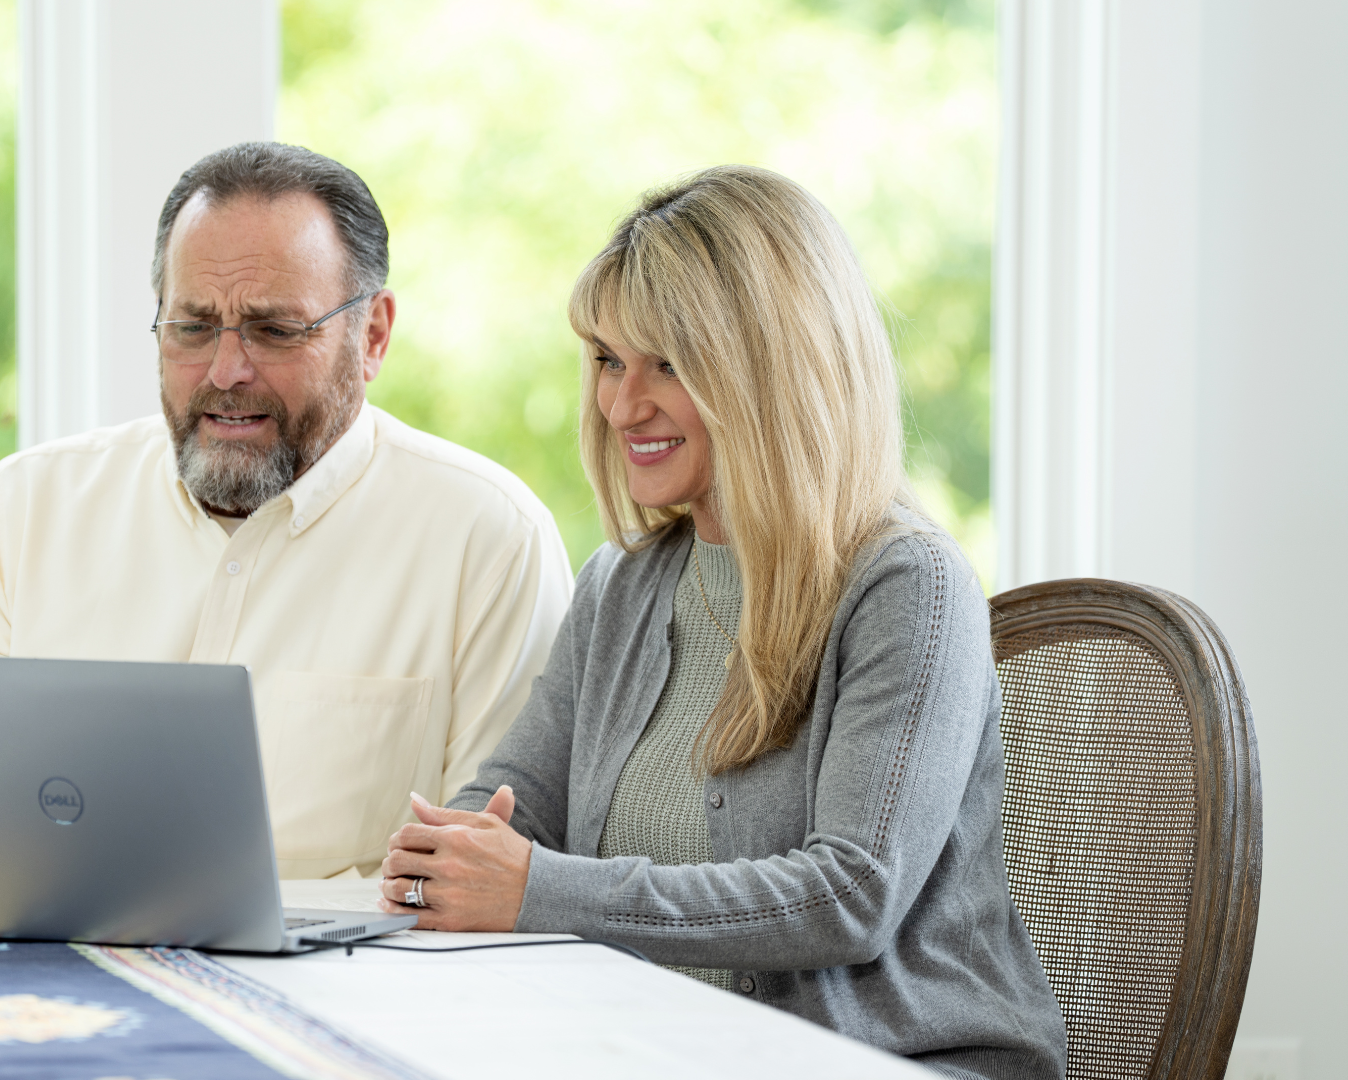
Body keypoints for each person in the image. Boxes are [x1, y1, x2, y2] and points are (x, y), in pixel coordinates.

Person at [375, 166, 1065, 1078]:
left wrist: (535, 889)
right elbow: (518, 799)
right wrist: (451, 852)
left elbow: (850, 895)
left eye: (670, 362)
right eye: (610, 360)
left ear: (772, 368)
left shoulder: (908, 585)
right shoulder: (621, 582)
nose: (624, 405)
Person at [0, 142, 573, 879]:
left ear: (373, 335)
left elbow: (485, 893)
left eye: (274, 330)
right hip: (54, 979)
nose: (227, 372)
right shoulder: (26, 509)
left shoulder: (489, 540)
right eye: (193, 328)